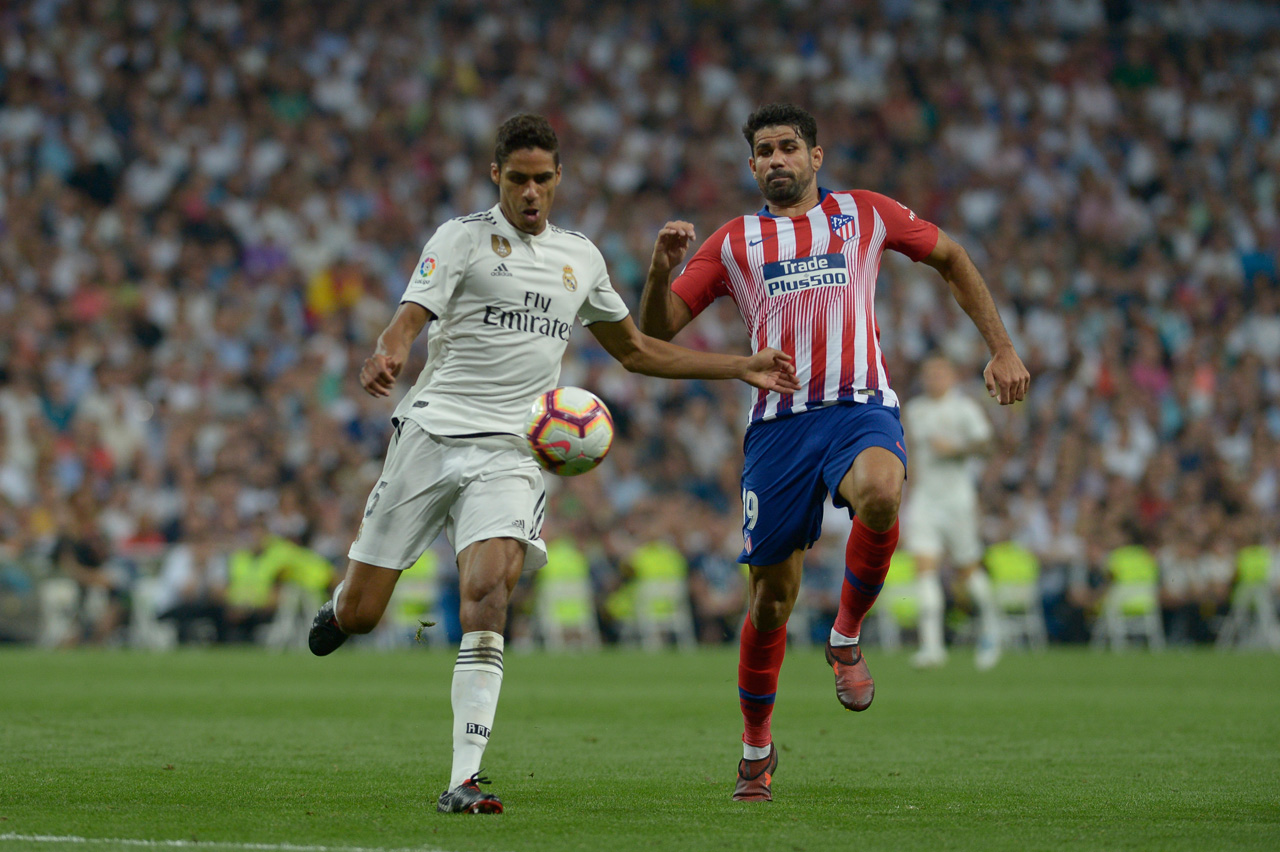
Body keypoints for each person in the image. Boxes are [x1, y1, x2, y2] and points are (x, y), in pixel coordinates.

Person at [306, 114, 799, 815]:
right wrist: (389, 350)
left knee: (489, 592)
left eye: (542, 179)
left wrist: (736, 365)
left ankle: (463, 778)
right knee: (361, 615)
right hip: (430, 434)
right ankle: (337, 605)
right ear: (495, 177)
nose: (531, 192)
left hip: (515, 449)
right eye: (518, 179)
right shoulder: (461, 238)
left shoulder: (580, 258)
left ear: (559, 177)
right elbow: (410, 314)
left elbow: (635, 349)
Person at [639, 103, 1029, 802]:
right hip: (778, 428)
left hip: (859, 407)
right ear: (751, 165)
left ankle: (846, 635)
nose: (777, 159)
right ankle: (756, 748)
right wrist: (659, 269)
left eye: (789, 147)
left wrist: (1000, 346)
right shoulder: (734, 242)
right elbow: (657, 329)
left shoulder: (866, 214)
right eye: (764, 151)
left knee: (882, 492)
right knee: (769, 605)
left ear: (817, 157)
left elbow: (951, 256)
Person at [902, 355, 1001, 671]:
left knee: (967, 570)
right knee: (924, 567)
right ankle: (932, 648)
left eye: (939, 373)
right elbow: (912, 455)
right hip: (925, 500)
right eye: (928, 373)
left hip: (957, 500)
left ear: (952, 377)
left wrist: (956, 448)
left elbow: (986, 445)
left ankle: (992, 631)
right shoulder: (915, 410)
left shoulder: (964, 409)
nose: (933, 379)